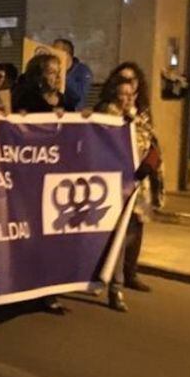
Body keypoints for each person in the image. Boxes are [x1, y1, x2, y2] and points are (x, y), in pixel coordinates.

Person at [105, 62, 162, 293]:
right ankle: (111, 274)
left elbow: (152, 141)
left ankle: (130, 272)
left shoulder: (142, 113)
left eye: (132, 81)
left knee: (137, 224)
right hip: (117, 179)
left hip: (140, 177)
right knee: (118, 228)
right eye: (123, 81)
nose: (128, 90)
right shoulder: (108, 112)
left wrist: (149, 163)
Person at [95, 74, 148, 312]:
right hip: (112, 184)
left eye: (130, 95)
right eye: (123, 95)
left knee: (128, 235)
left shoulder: (139, 118)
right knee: (115, 236)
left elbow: (147, 142)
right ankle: (115, 287)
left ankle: (109, 277)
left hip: (134, 185)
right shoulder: (108, 116)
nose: (127, 99)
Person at [54, 38, 94, 111]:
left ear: (66, 54)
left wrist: (64, 74)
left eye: (55, 51)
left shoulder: (83, 71)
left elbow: (79, 95)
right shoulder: (52, 69)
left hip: (74, 112)